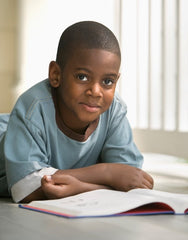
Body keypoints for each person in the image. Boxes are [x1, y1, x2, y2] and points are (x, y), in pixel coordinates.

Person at [0, 21, 153, 203]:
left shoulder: (114, 110)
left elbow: (130, 181)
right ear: (56, 75)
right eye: (82, 77)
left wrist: (81, 187)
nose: (96, 91)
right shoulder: (33, 107)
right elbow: (26, 188)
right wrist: (106, 172)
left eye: (107, 81)